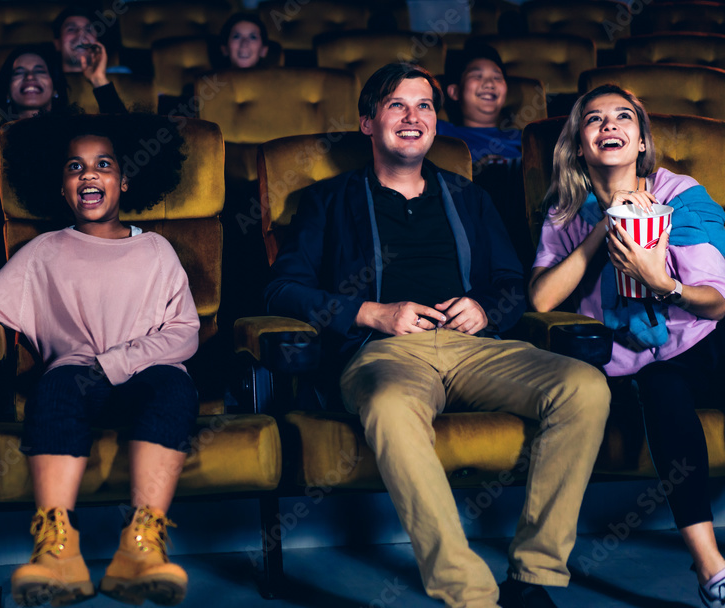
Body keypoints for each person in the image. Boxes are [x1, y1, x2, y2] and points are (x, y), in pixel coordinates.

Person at [264, 63, 611, 608]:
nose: (412, 117)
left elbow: (509, 286)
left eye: (424, 105)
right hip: (384, 353)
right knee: (389, 405)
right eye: (396, 105)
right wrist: (371, 313)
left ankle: (534, 575)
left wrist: (484, 309)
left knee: (585, 387)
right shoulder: (328, 201)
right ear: (367, 123)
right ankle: (468, 593)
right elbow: (282, 290)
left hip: (474, 349)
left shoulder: (467, 196)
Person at [0, 113, 197, 608]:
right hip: (74, 376)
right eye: (76, 167)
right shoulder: (43, 252)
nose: (89, 175)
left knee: (174, 386)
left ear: (125, 181)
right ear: (63, 188)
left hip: (146, 372)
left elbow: (184, 332)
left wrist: (117, 361)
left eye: (103, 165)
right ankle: (57, 549)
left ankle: (141, 546)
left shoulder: (157, 250)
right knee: (57, 385)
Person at [529, 84, 725, 608]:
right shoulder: (566, 211)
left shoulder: (680, 193)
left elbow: (715, 303)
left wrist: (661, 281)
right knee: (662, 392)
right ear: (579, 145)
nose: (609, 125)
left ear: (640, 141)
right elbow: (543, 300)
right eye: (594, 120)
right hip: (623, 360)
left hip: (700, 337)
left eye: (622, 118)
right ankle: (712, 571)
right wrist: (605, 224)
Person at [438, 41, 532, 269]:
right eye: (477, 76)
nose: (489, 83)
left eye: (497, 77)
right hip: (471, 220)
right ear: (454, 91)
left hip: (528, 218)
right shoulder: (441, 132)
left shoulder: (525, 137)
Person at [0, 43, 126, 126]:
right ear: (7, 92)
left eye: (40, 71)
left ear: (55, 90)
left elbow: (125, 136)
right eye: (18, 73)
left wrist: (98, 80)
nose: (30, 76)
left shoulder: (76, 133)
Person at [51, 7, 128, 107]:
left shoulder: (121, 74)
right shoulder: (45, 81)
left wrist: (99, 80)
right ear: (57, 43)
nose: (81, 34)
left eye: (88, 30)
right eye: (71, 29)